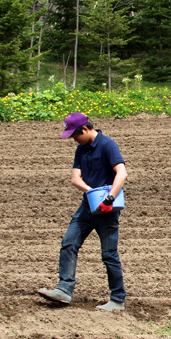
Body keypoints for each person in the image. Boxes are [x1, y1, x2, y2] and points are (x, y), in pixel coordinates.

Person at [38, 112, 128, 311]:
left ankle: (118, 299)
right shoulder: (81, 149)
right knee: (69, 242)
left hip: (107, 209)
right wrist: (92, 193)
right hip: (88, 206)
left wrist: (109, 198)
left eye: (75, 135)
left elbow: (121, 173)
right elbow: (75, 178)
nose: (73, 140)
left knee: (109, 254)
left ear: (85, 129)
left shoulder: (107, 145)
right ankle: (64, 289)